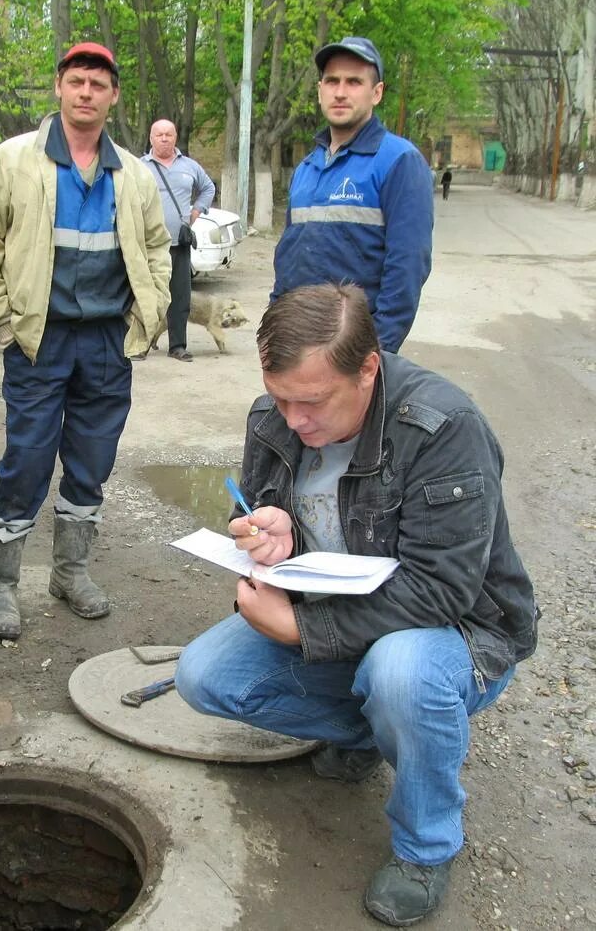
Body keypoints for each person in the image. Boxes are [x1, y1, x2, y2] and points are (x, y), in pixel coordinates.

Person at [175, 283, 539, 927]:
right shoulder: (275, 415)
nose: (292, 420)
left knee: (401, 674)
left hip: (455, 633)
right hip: (343, 618)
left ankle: (425, 846)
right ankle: (378, 730)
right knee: (203, 676)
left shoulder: (443, 428)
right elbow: (256, 508)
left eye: (310, 402)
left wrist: (300, 627)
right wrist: (267, 529)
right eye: (280, 397)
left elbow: (442, 590)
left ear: (368, 368)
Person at [0, 42, 171, 642]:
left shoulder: (132, 172)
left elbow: (156, 247)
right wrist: (0, 320)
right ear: (59, 86)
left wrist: (150, 315)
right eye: (76, 80)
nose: (86, 92)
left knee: (91, 463)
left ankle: (70, 572)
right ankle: (1, 585)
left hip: (108, 341)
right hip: (39, 340)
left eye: (97, 84)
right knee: (25, 460)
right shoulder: (13, 161)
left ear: (113, 96)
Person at [270, 37, 433, 353]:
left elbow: (407, 269)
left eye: (354, 82)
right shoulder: (308, 167)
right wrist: (275, 330)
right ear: (320, 91)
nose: (340, 92)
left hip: (353, 350)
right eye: (332, 81)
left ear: (377, 93)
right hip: (297, 344)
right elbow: (289, 256)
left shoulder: (399, 161)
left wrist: (377, 351)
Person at [140, 119, 215, 362]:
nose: (164, 138)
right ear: (151, 138)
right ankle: (140, 344)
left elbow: (208, 188)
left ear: (175, 137)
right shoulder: (140, 167)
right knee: (146, 296)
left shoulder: (190, 166)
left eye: (168, 134)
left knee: (180, 297)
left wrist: (197, 211)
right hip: (149, 245)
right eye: (159, 134)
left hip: (179, 245)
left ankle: (177, 346)